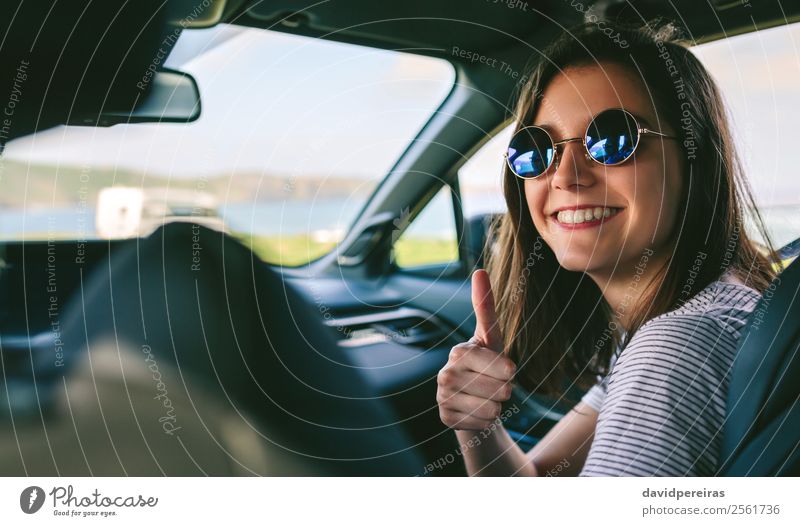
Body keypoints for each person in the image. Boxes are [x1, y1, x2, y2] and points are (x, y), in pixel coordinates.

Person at [435, 20, 780, 476]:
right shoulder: (692, 312)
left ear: (697, 162)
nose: (564, 176)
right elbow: (535, 483)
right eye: (536, 150)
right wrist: (475, 426)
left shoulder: (675, 345)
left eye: (613, 140)